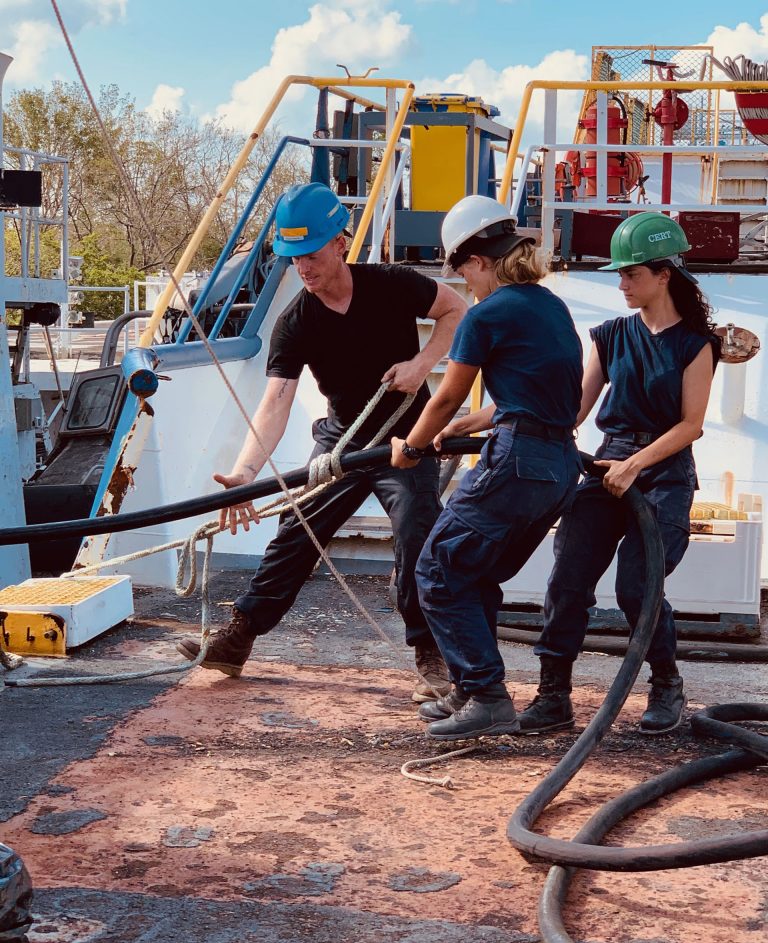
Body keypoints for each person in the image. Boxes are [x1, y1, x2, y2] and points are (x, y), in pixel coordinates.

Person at [177, 182, 466, 700]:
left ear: (340, 243)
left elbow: (455, 310)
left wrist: (424, 364)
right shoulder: (295, 322)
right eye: (292, 260)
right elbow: (276, 401)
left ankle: (430, 653)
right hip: (342, 441)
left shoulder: (393, 284)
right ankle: (237, 638)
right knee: (297, 531)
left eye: (310, 255)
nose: (303, 270)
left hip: (405, 437)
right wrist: (244, 474)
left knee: (415, 532)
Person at [390, 195, 583, 741]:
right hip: (556, 469)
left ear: (478, 262)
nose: (463, 283)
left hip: (516, 464)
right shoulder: (549, 306)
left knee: (438, 570)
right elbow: (529, 391)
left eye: (462, 271)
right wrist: (470, 426)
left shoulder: (487, 313)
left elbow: (444, 396)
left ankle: (488, 695)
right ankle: (471, 688)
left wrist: (414, 443)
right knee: (475, 574)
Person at [519, 212, 719, 737]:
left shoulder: (696, 345)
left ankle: (665, 683)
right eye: (620, 274)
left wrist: (636, 464)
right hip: (606, 466)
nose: (622, 283)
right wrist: (519, 418)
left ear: (664, 275)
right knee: (567, 580)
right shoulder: (610, 336)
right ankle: (553, 696)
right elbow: (576, 410)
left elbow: (690, 425)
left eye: (631, 274)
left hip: (663, 475)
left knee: (638, 585)